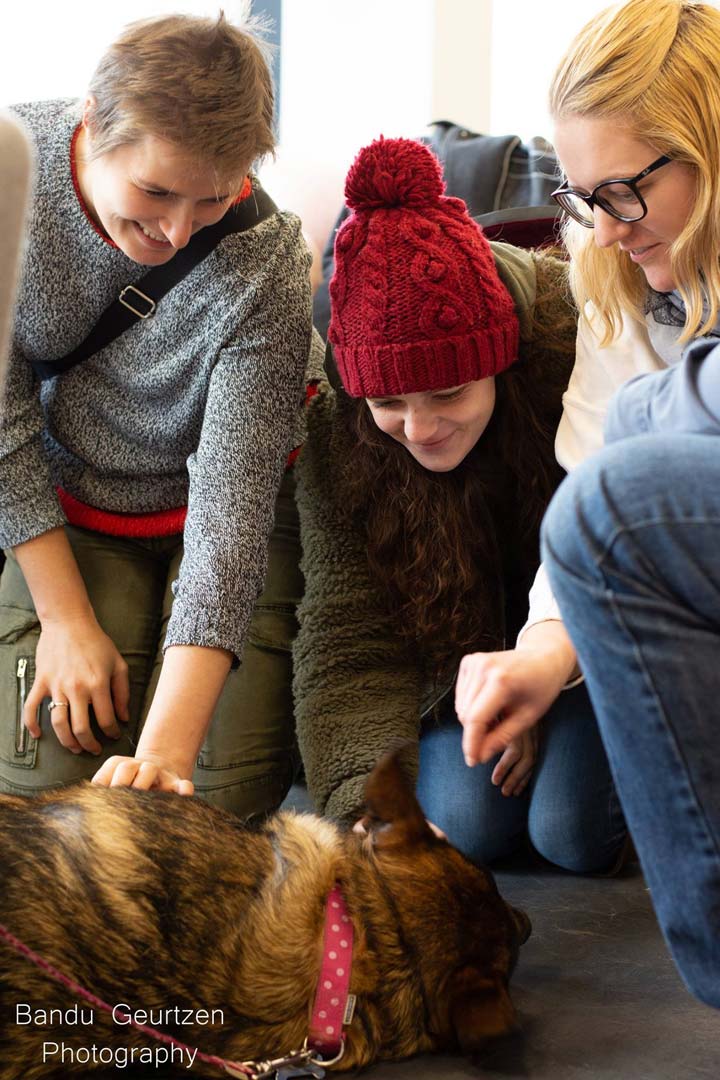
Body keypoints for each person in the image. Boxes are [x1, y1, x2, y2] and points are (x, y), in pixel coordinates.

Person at [456, 0, 720, 1005]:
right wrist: (541, 656)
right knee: (527, 819)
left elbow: (626, 492)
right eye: (582, 198)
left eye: (625, 191)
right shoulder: (613, 269)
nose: (605, 228)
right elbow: (590, 497)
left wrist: (657, 412)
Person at [0, 13, 323, 816]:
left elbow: (230, 512)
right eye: (153, 191)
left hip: (221, 513)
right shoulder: (13, 175)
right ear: (91, 124)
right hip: (71, 498)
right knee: (45, 797)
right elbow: (0, 420)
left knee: (211, 807)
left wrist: (165, 763)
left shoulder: (270, 259)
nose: (176, 230)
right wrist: (65, 622)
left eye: (212, 199)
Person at [292, 135, 627, 871]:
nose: (419, 428)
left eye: (448, 394)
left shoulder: (572, 356)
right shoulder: (342, 432)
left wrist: (541, 675)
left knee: (570, 831)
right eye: (389, 401)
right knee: (461, 825)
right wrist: (364, 812)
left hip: (591, 647)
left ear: (500, 363)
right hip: (454, 670)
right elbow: (347, 639)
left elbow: (622, 564)